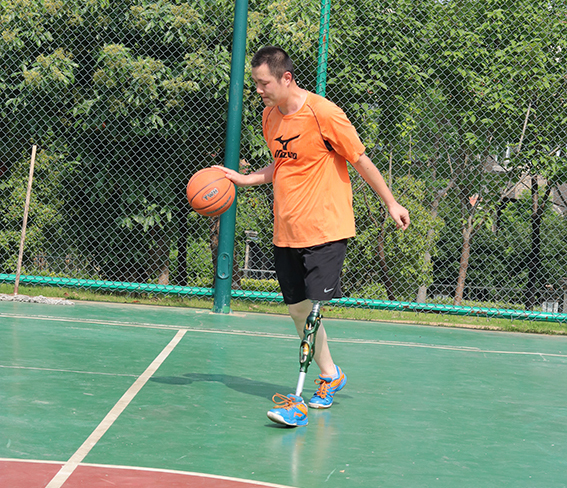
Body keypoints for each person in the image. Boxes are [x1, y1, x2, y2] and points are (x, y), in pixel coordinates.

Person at [216, 46, 410, 427]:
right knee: (298, 311)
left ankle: (298, 399)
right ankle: (331, 374)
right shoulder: (270, 117)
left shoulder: (324, 113)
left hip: (326, 228)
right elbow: (281, 164)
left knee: (315, 309)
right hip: (286, 230)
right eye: (256, 83)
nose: (258, 90)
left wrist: (391, 203)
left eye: (263, 83)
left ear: (286, 78)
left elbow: (359, 160)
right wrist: (245, 179)